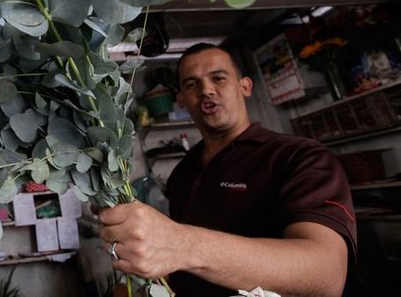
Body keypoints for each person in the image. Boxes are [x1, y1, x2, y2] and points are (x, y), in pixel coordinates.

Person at [99, 43, 356, 297]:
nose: (206, 90)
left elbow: (327, 275)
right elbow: (171, 263)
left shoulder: (298, 157)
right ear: (180, 100)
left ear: (245, 86)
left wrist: (181, 243)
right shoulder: (183, 173)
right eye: (191, 84)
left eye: (218, 78)